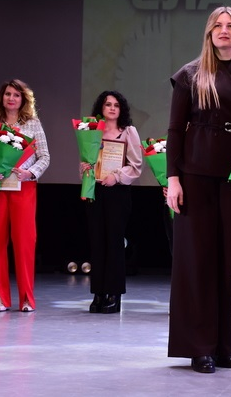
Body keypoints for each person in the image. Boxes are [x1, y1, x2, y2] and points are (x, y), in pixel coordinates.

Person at [165, 7, 231, 374]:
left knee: (225, 261)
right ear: (209, 32)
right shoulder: (190, 74)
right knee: (197, 261)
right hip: (195, 176)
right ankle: (199, 347)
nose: (224, 30)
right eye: (218, 25)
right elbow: (175, 129)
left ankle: (222, 346)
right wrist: (173, 179)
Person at [0, 79, 50, 312]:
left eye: (16, 95)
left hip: (23, 189)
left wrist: (30, 173)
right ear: (1, 98)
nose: (11, 98)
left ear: (23, 99)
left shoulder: (33, 124)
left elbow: (44, 157)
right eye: (8, 94)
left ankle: (26, 298)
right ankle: (0, 298)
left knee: (24, 243)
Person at [80, 91, 142, 314]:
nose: (112, 108)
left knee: (115, 243)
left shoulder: (128, 132)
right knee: (97, 241)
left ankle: (114, 294)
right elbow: (88, 160)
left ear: (121, 109)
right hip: (95, 190)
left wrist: (116, 176)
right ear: (102, 108)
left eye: (116, 105)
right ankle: (98, 293)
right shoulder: (92, 131)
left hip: (118, 192)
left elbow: (136, 165)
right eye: (108, 104)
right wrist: (85, 168)